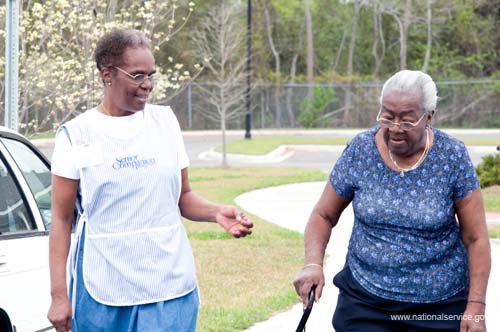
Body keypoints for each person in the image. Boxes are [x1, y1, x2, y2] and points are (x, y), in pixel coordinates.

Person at [47, 29, 253, 332]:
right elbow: (62, 220)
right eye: (137, 75)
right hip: (103, 287)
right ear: (108, 75)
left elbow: (183, 196)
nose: (148, 85)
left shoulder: (165, 123)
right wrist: (58, 296)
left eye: (151, 75)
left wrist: (215, 212)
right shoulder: (76, 135)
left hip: (168, 287)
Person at [294, 70, 491, 332]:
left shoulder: (452, 156)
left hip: (438, 307)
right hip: (365, 301)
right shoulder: (360, 150)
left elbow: (476, 238)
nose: (395, 127)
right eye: (387, 116)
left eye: (407, 120)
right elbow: (323, 215)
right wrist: (312, 264)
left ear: (428, 116)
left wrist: (476, 306)